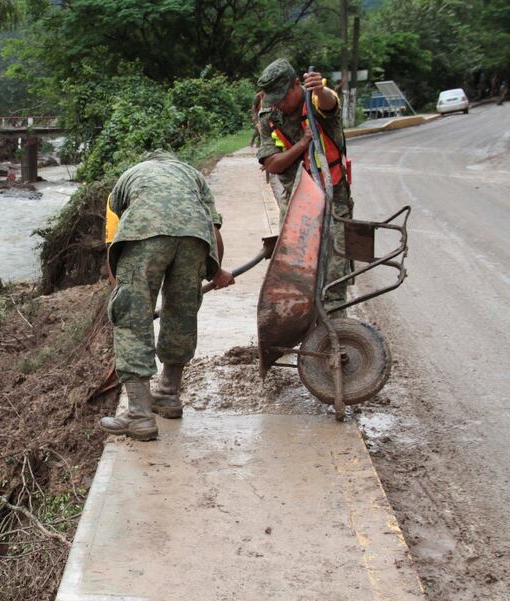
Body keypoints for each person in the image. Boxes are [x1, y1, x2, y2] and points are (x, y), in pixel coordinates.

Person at [100, 151, 235, 441]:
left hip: (143, 234)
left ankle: (138, 415)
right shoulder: (192, 175)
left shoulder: (128, 177)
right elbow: (213, 231)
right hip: (196, 238)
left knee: (131, 318)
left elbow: (115, 237)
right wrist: (216, 272)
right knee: (181, 314)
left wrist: (123, 295)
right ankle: (168, 395)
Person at [256, 58, 352, 312]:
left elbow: (330, 103)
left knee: (334, 272)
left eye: (282, 97)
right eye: (273, 99)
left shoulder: (316, 101)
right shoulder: (269, 116)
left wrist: (320, 90)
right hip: (296, 203)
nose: (278, 104)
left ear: (297, 84)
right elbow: (272, 164)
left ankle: (335, 333)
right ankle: (303, 326)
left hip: (333, 201)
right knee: (294, 273)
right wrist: (302, 143)